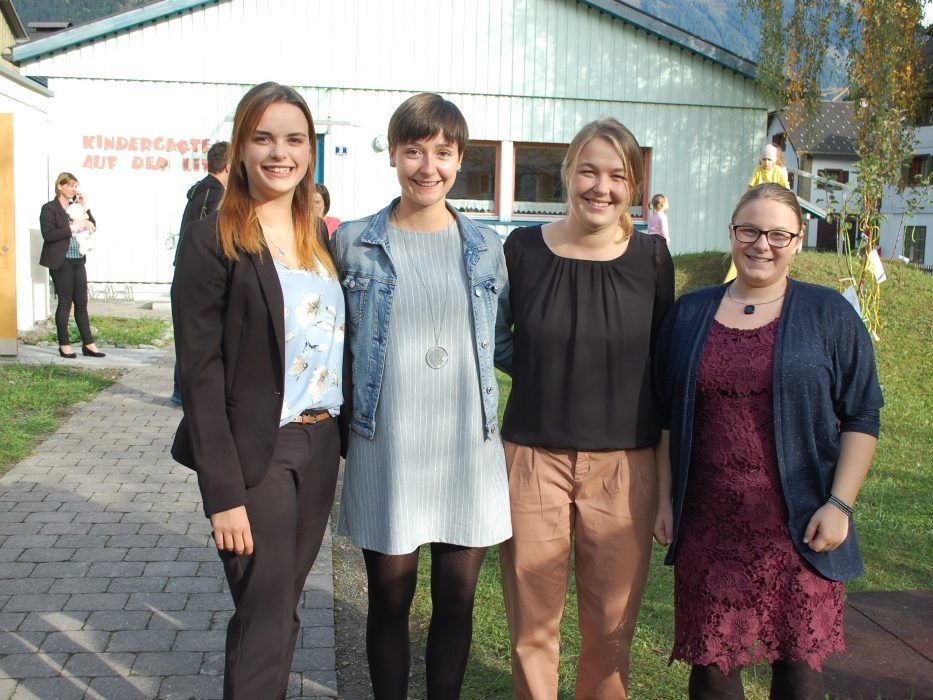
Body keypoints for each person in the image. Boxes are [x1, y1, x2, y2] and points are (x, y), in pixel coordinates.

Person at [653, 183, 883, 700]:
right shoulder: (690, 314)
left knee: (798, 669)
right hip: (709, 522)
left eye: (779, 233)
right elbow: (664, 414)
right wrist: (663, 499)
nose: (763, 244)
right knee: (712, 668)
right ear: (732, 234)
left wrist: (840, 503)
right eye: (750, 230)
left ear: (798, 241)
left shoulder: (829, 315)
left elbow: (862, 414)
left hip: (799, 522)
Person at [331, 92, 511, 699]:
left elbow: (508, 343)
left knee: (456, 605)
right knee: (388, 603)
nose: (427, 166)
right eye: (414, 151)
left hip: (467, 451)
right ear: (393, 155)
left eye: (442, 152)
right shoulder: (355, 242)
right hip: (390, 450)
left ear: (460, 159)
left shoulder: (488, 247)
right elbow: (333, 341)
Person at [171, 82, 346, 700]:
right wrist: (222, 496)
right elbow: (200, 373)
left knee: (282, 608)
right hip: (256, 455)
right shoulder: (211, 239)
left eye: (294, 139)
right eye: (263, 138)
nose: (280, 152)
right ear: (242, 147)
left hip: (320, 445)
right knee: (266, 614)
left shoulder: (318, 240)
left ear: (310, 151)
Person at [496, 118, 675, 699]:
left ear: (635, 186)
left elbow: (665, 369)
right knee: (532, 624)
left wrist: (668, 487)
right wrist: (550, 375)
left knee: (611, 627)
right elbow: (495, 342)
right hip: (532, 460)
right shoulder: (521, 249)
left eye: (617, 175)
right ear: (568, 173)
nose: (601, 187)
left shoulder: (652, 258)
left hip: (624, 467)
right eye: (589, 171)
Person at [171, 140, 230, 405]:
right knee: (199, 335)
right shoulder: (216, 196)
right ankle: (185, 392)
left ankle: (179, 390)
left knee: (188, 334)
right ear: (228, 166)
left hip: (185, 270)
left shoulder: (198, 191)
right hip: (200, 275)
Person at [39, 172, 106, 359]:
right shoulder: (49, 209)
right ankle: (64, 345)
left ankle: (88, 344)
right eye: (70, 185)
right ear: (60, 186)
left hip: (78, 259)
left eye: (76, 186)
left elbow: (92, 225)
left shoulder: (76, 208)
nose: (73, 189)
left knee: (82, 303)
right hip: (61, 261)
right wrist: (71, 228)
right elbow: (49, 235)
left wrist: (85, 207)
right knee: (65, 302)